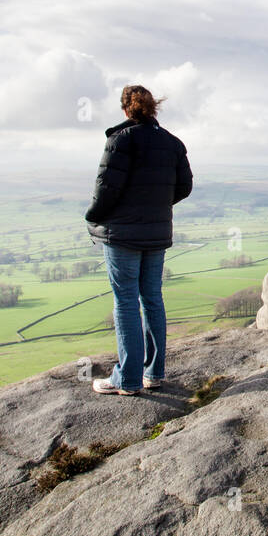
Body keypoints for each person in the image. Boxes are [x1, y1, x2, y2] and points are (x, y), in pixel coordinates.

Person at [84, 85, 193, 395]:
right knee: (152, 298)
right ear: (152, 109)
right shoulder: (172, 143)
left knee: (126, 302)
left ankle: (127, 380)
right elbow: (184, 186)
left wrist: (92, 217)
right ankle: (154, 372)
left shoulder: (120, 140)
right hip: (156, 233)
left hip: (122, 235)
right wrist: (156, 207)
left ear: (125, 110)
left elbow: (106, 190)